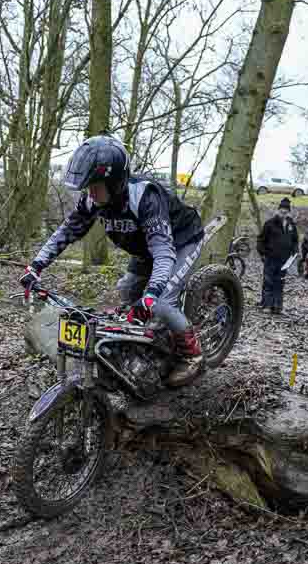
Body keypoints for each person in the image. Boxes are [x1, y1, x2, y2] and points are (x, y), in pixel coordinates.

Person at [20, 134, 205, 386]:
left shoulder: (145, 197)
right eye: (88, 187)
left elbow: (163, 251)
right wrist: (36, 266)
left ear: (115, 182)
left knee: (160, 302)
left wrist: (151, 294)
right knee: (127, 290)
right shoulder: (93, 200)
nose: (90, 193)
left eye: (95, 186)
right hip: (145, 248)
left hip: (180, 241)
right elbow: (66, 231)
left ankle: (192, 355)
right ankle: (152, 343)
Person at [256, 197, 299, 314]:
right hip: (271, 258)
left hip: (285, 260)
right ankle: (267, 305)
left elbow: (295, 240)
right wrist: (262, 253)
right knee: (268, 281)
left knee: (280, 282)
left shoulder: (291, 225)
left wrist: (295, 252)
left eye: (286, 210)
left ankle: (277, 306)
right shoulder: (269, 223)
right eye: (282, 209)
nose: (284, 212)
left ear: (288, 211)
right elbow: (260, 240)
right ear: (278, 210)